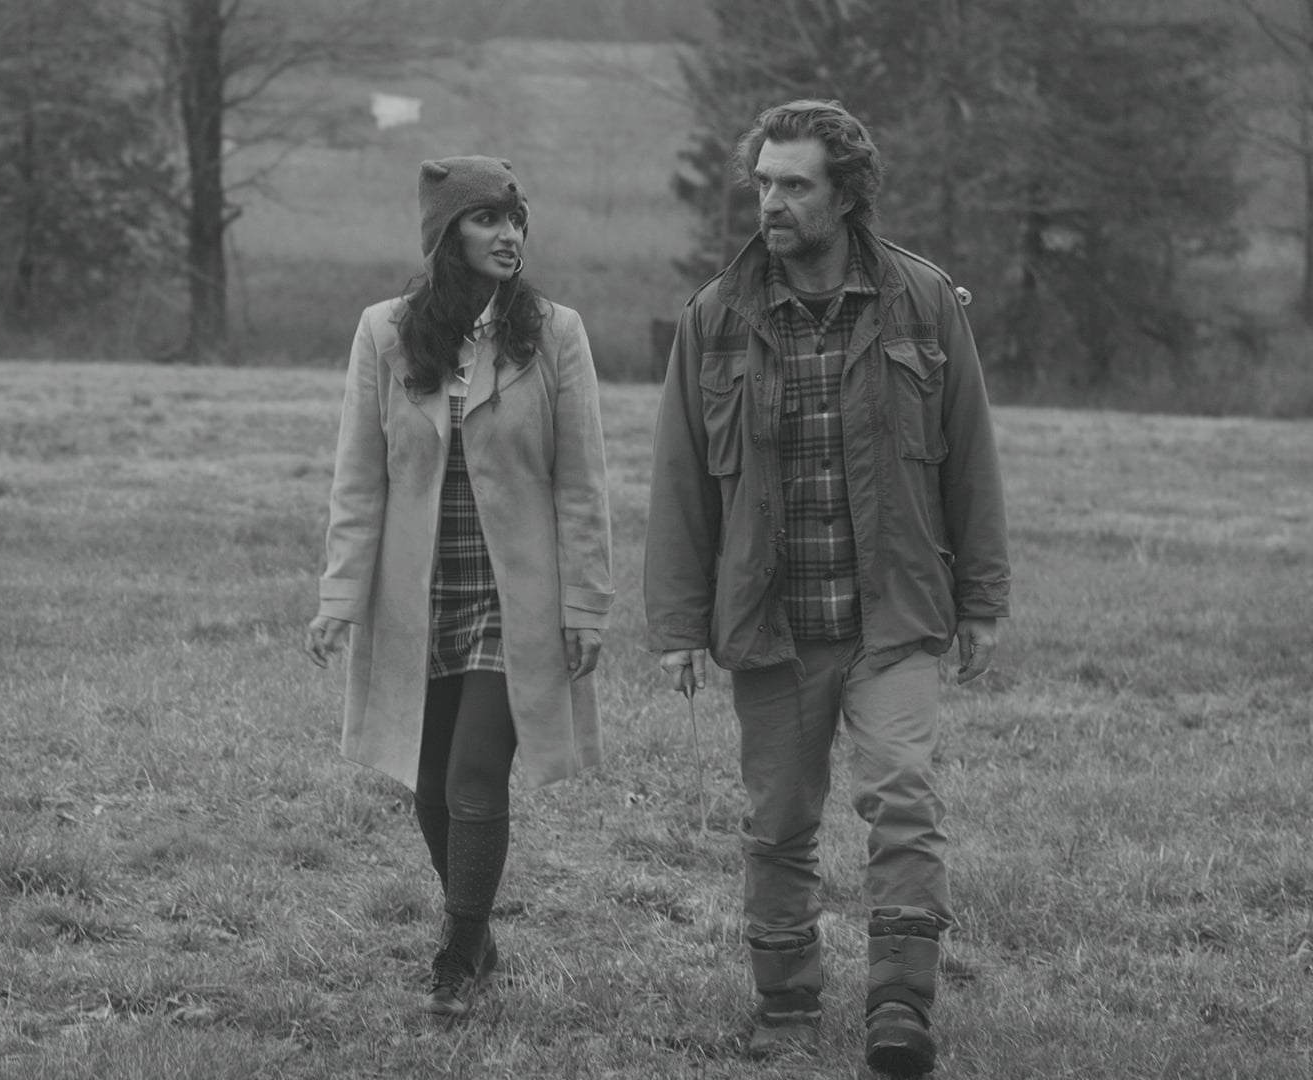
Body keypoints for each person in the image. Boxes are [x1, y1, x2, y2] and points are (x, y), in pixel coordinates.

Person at [643, 100, 1009, 1076]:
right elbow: (680, 482)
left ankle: (900, 1007)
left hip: (892, 613)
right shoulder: (716, 316)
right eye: (763, 182)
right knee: (779, 822)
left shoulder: (921, 302)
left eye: (794, 183)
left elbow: (970, 456)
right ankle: (787, 1002)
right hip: (771, 625)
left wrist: (982, 599)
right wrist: (677, 624)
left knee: (903, 796)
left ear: (846, 194)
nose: (771, 200)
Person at [302, 155, 614, 1020]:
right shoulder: (386, 333)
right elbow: (359, 479)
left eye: (516, 219)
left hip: (517, 599)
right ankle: (477, 936)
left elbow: (584, 483)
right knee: (431, 783)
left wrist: (587, 603)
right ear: (447, 235)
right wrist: (338, 597)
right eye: (487, 220)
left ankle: (456, 952)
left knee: (478, 774)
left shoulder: (555, 333)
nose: (509, 234)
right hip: (419, 594)